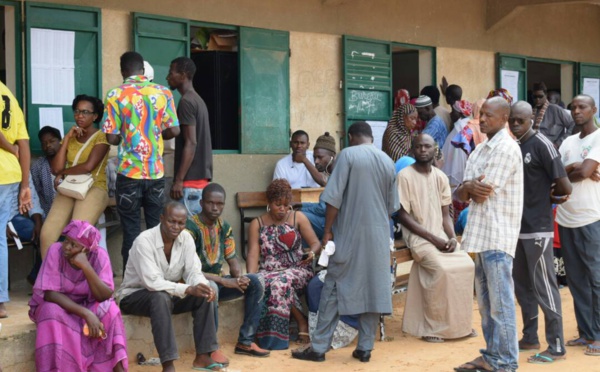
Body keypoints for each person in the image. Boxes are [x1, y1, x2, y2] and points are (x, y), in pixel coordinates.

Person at [292, 121, 399, 363]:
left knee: (333, 286)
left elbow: (333, 199)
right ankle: (365, 348)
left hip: (350, 234)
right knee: (372, 289)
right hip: (380, 237)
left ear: (351, 137)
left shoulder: (348, 155)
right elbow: (393, 206)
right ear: (371, 137)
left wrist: (328, 231)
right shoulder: (387, 161)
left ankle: (318, 347)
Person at [455, 97, 523, 372]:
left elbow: (481, 194)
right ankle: (492, 356)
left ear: (504, 117)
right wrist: (469, 186)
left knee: (500, 305)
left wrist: (469, 187)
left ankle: (506, 362)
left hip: (497, 236)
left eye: (488, 115)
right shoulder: (480, 150)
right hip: (479, 237)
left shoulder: (506, 149)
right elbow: (461, 193)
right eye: (481, 114)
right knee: (485, 305)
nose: (481, 119)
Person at [118, 202, 223, 372]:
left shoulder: (186, 238)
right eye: (171, 221)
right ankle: (168, 365)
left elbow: (193, 272)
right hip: (134, 296)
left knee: (206, 289)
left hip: (168, 295)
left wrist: (202, 286)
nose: (176, 227)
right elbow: (153, 283)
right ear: (161, 219)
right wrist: (188, 289)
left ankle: (203, 356)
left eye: (181, 223)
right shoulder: (144, 241)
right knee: (160, 296)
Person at [102, 51, 180, 268]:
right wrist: (155, 134)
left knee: (131, 231)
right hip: (155, 173)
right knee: (157, 230)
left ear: (123, 71)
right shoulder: (163, 92)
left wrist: (127, 135)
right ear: (143, 71)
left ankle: (131, 285)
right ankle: (157, 279)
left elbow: (111, 138)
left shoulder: (115, 94)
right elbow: (174, 130)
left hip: (128, 174)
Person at [508, 101, 571, 364]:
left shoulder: (542, 144)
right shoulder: (513, 147)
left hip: (538, 230)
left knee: (545, 287)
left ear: (531, 119)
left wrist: (549, 200)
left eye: (519, 121)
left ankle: (556, 345)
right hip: (516, 229)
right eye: (511, 120)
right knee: (523, 287)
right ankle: (530, 336)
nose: (514, 125)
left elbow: (565, 187)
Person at [398, 134, 475, 343]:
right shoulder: (404, 176)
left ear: (435, 150)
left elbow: (445, 216)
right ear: (412, 150)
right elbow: (402, 215)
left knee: (467, 264)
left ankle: (461, 324)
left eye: (427, 146)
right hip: (418, 239)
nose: (423, 150)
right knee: (441, 269)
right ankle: (434, 328)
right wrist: (435, 239)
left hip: (440, 236)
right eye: (419, 146)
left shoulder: (440, 177)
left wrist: (451, 238)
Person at [29, 220, 127, 371]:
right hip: (61, 307)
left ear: (86, 250)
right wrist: (86, 314)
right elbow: (50, 294)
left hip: (86, 305)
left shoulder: (99, 255)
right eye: (66, 240)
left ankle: (117, 367)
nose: (67, 247)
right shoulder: (55, 251)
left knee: (111, 310)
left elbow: (105, 295)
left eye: (73, 245)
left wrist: (86, 266)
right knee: (50, 311)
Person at [185, 183, 270, 358]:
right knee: (211, 287)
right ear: (201, 203)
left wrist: (239, 278)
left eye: (220, 204)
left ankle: (246, 341)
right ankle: (211, 348)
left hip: (218, 282)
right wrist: (224, 280)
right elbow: (187, 271)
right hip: (193, 286)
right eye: (210, 203)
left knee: (257, 281)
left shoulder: (224, 226)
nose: (215, 208)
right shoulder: (189, 228)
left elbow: (233, 260)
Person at [246, 179, 320, 350]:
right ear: (269, 202)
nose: (282, 209)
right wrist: (251, 277)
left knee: (280, 282)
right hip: (269, 270)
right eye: (277, 204)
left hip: (298, 268)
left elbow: (315, 243)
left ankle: (300, 325)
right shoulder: (257, 223)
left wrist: (312, 253)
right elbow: (252, 253)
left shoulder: (297, 217)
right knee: (266, 281)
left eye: (286, 205)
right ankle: (291, 326)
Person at [556, 94, 600, 356]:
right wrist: (576, 167)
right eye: (573, 107)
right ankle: (586, 333)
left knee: (595, 278)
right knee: (576, 280)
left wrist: (576, 171)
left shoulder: (599, 138)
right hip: (565, 217)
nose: (576, 111)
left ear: (594, 110)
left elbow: (584, 174)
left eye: (582, 107)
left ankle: (599, 334)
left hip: (591, 218)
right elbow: (558, 175)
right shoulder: (569, 141)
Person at [40, 94, 110, 259]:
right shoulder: (70, 137)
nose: (80, 116)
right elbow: (56, 168)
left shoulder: (101, 137)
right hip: (71, 187)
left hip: (95, 187)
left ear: (95, 116)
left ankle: (77, 281)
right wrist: (66, 140)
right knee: (47, 235)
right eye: (77, 111)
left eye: (85, 112)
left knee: (76, 236)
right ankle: (51, 280)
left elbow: (88, 166)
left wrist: (63, 173)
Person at [0, 81, 32, 318]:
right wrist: (24, 185)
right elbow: (25, 144)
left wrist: (8, 147)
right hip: (11, 175)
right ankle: (0, 300)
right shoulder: (8, 94)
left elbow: (16, 146)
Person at [167, 57, 213, 216]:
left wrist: (179, 180)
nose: (168, 77)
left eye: (171, 72)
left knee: (186, 237)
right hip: (199, 184)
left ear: (183, 74)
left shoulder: (186, 102)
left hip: (190, 185)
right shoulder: (197, 100)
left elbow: (191, 143)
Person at [295, 133, 338, 240]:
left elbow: (323, 209)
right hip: (329, 222)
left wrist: (300, 208)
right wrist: (300, 205)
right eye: (314, 157)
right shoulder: (331, 174)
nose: (316, 161)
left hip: (335, 226)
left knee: (295, 216)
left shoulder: (337, 176)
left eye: (320, 157)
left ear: (332, 156)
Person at [441, 100, 473, 190]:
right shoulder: (468, 125)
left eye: (453, 111)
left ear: (459, 113)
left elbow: (456, 154)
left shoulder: (459, 128)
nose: (451, 114)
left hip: (456, 170)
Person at [532, 82, 574, 148]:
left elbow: (573, 124)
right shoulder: (531, 111)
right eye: (535, 97)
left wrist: (559, 143)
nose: (537, 99)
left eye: (540, 96)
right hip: (535, 147)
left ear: (546, 95)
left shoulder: (555, 109)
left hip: (553, 148)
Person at [31, 126, 60, 217]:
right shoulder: (38, 165)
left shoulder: (71, 162)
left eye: (52, 141)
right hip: (48, 214)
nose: (48, 145)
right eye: (44, 143)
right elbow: (34, 194)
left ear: (60, 141)